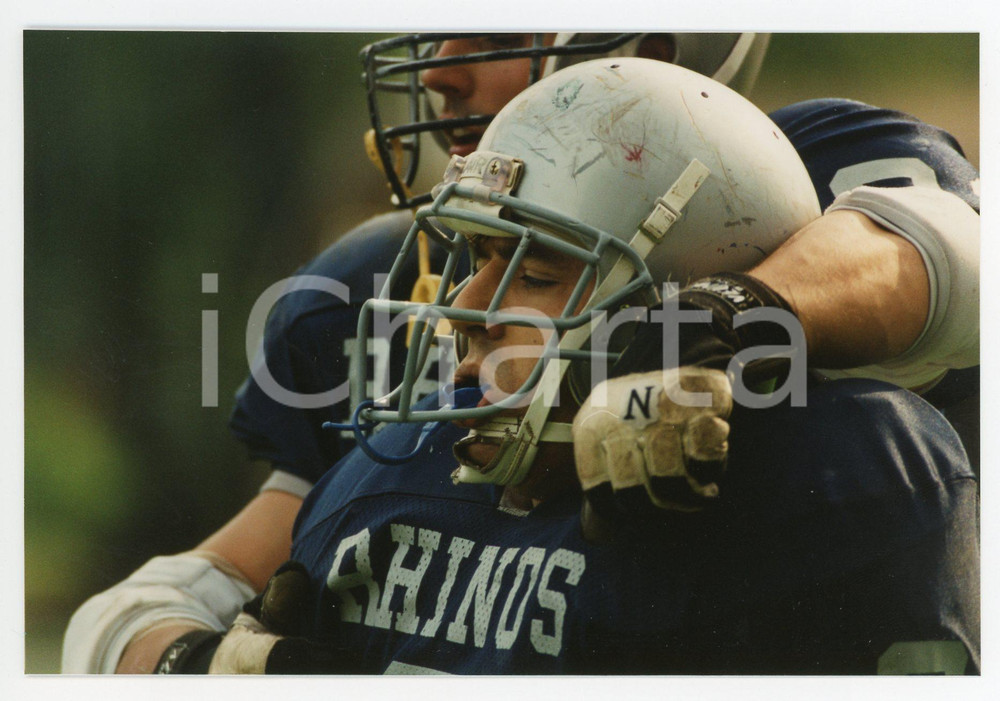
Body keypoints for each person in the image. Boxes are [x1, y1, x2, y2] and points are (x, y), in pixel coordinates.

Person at [60, 33, 980, 674]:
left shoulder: (775, 181)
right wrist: (197, 659)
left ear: (645, 45)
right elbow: (179, 593)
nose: (439, 77)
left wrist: (713, 318)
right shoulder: (393, 294)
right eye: (478, 262)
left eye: (490, 34)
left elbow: (944, 256)